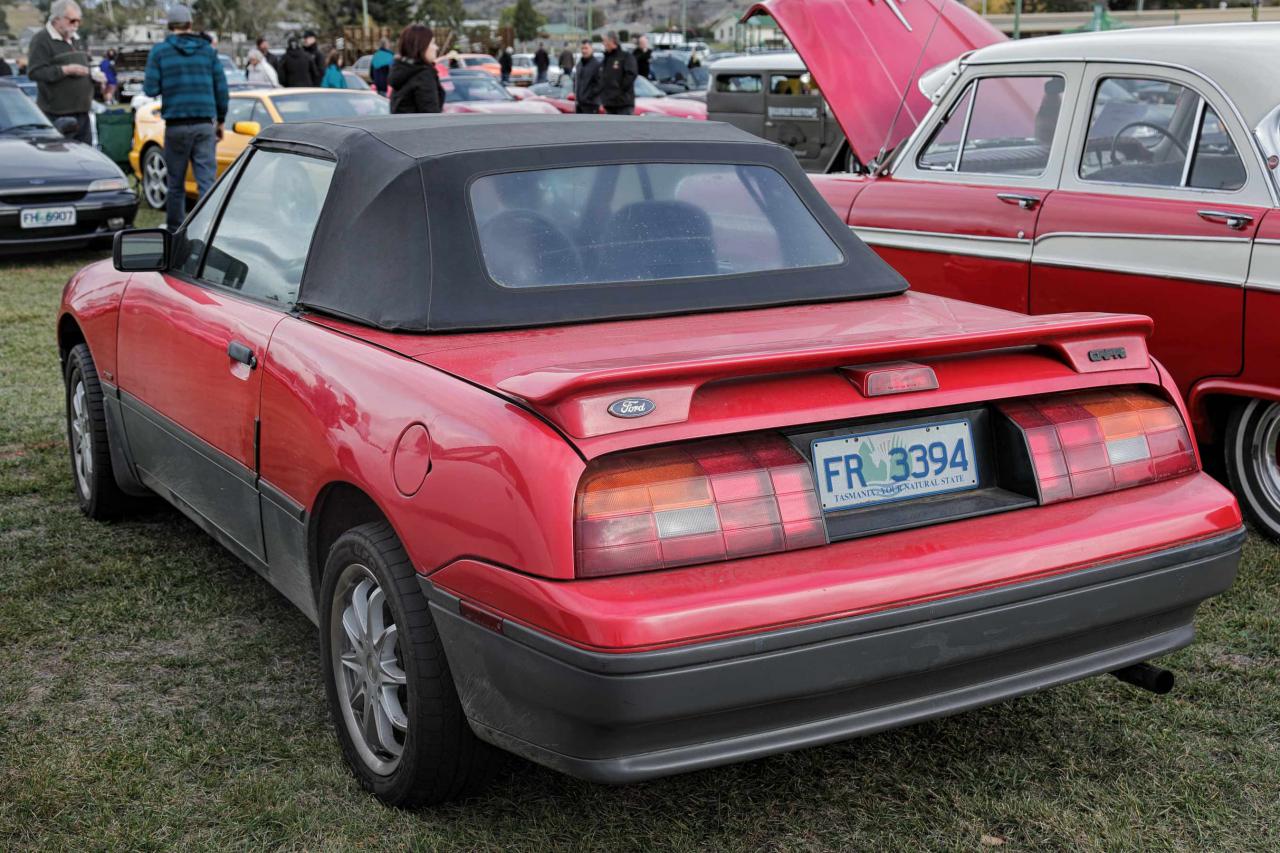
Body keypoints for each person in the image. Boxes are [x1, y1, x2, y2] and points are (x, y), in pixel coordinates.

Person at [143, 3, 228, 231]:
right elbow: (222, 89)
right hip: (203, 125)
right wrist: (220, 121)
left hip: (176, 126)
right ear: (190, 25)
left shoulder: (160, 52)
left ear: (170, 26)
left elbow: (150, 89)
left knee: (176, 184)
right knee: (207, 183)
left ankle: (175, 231)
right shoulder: (208, 51)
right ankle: (207, 231)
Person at [26, 0, 93, 143]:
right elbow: (34, 72)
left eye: (78, 21)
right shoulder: (41, 40)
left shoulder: (77, 40)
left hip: (82, 114)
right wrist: (65, 70)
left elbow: (87, 66)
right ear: (57, 19)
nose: (76, 25)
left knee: (85, 159)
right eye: (72, 21)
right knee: (62, 158)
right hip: (57, 115)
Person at [388, 24, 444, 114]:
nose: (436, 47)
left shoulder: (402, 71)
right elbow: (431, 116)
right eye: (433, 43)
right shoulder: (423, 75)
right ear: (421, 46)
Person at [597, 31, 636, 116]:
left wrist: (618, 92)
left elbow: (631, 75)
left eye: (605, 41)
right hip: (609, 104)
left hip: (623, 105)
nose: (603, 44)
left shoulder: (626, 57)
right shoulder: (606, 59)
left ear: (612, 41)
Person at [573, 40, 601, 114]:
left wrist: (588, 97)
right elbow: (575, 81)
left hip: (591, 105)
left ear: (592, 49)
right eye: (582, 48)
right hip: (579, 104)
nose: (584, 51)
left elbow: (599, 85)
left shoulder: (596, 65)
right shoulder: (579, 64)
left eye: (586, 48)